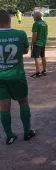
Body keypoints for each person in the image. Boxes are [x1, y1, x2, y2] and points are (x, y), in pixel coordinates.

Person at [0, 9, 35, 144]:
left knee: (3, 106)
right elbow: (25, 50)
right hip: (17, 75)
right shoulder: (20, 34)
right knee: (23, 102)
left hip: (1, 76)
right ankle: (27, 132)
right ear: (10, 19)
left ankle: (9, 136)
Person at [30, 11, 48, 78]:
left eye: (33, 16)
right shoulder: (44, 23)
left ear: (36, 17)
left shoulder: (36, 24)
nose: (33, 17)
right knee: (43, 56)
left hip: (37, 43)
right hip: (43, 42)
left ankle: (38, 72)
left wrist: (32, 43)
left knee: (36, 57)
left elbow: (35, 34)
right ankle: (44, 70)